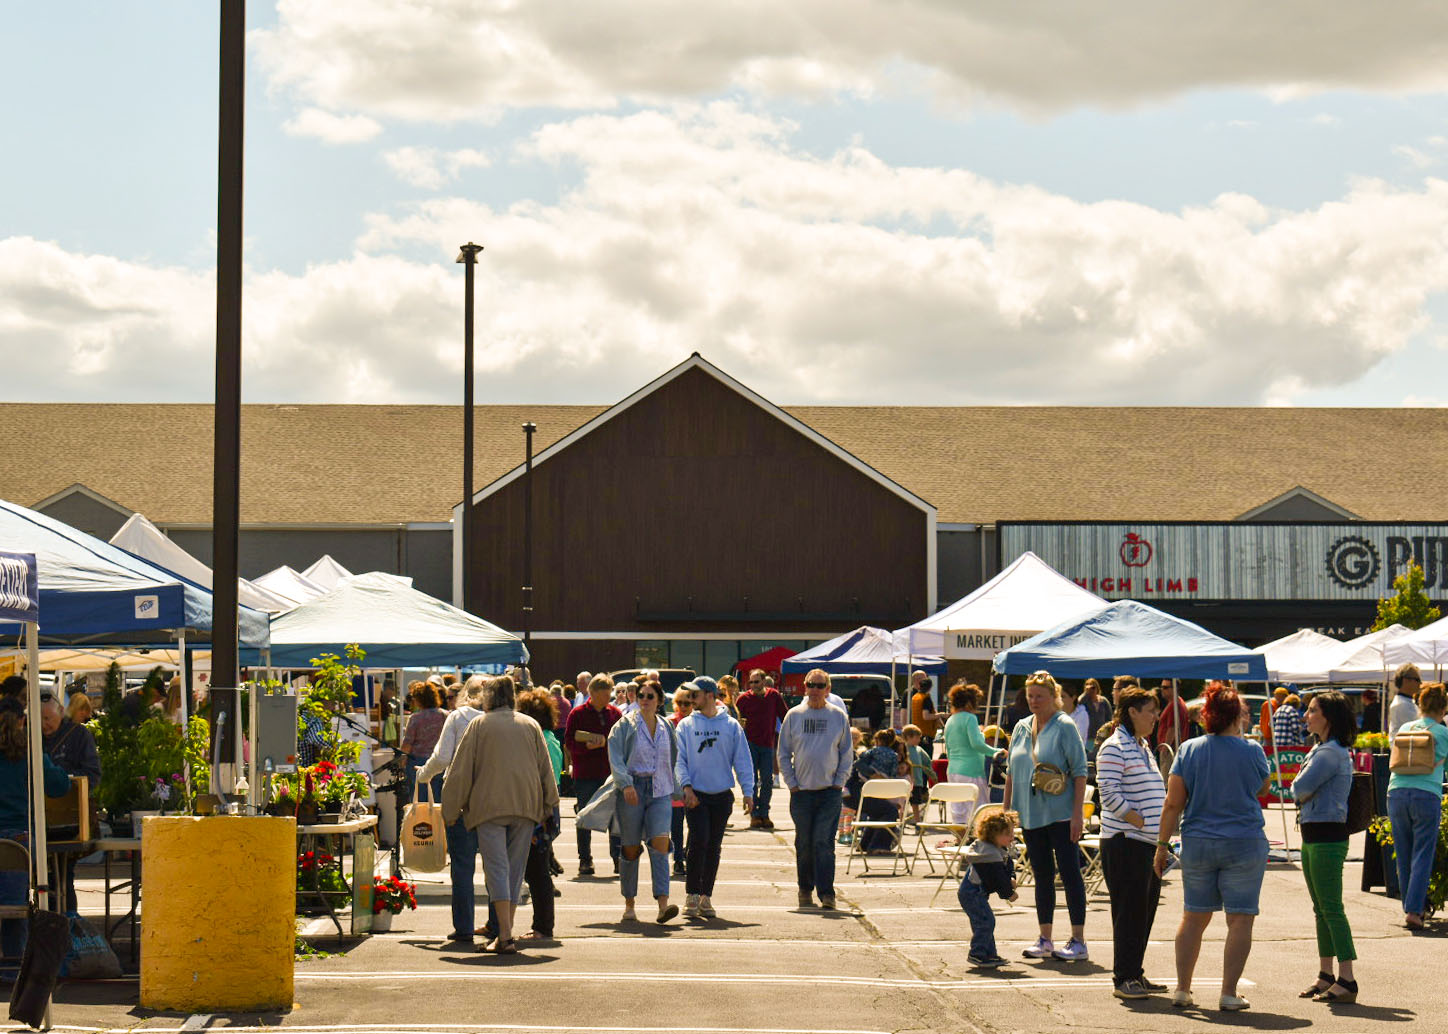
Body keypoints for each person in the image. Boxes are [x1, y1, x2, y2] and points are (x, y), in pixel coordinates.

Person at [1154, 682, 1270, 1012]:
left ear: (1206, 717)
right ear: (1239, 716)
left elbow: (1172, 804)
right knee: (1240, 920)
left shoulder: (1190, 750)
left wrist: (1162, 846)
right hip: (1244, 842)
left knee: (1193, 917)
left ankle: (1183, 989)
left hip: (1199, 841)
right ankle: (1229, 992)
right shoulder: (1252, 751)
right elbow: (1263, 787)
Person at [440, 675, 559, 955]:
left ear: (489, 698)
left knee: (496, 869)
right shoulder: (530, 725)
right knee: (515, 870)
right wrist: (549, 805)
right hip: (525, 807)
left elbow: (460, 771)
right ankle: (506, 932)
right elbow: (546, 769)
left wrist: (450, 809)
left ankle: (504, 935)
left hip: (488, 807)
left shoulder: (479, 725)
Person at [1004, 670, 1089, 962]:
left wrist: (1077, 814)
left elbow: (1080, 771)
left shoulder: (1065, 726)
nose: (1034, 701)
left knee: (1069, 873)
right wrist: (1006, 811)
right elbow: (1011, 773)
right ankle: (1046, 938)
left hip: (1062, 813)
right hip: (1030, 814)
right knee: (1041, 875)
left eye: (1039, 696)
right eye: (1030, 696)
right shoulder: (1021, 727)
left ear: (1053, 696)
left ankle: (1078, 940)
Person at [1095, 687, 1167, 1000]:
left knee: (1144, 912)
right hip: (1125, 842)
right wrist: (1137, 819)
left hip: (1147, 843)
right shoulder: (1114, 747)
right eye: (1150, 710)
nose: (1156, 717)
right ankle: (1124, 978)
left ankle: (1135, 972)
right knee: (1129, 912)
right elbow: (1107, 793)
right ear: (1132, 712)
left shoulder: (1141, 745)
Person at [1292, 689, 1358, 1003]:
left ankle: (1347, 979)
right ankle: (1326, 975)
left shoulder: (1329, 753)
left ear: (1328, 717)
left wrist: (1298, 786)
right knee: (1321, 910)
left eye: (1312, 710)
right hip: (1315, 835)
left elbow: (1299, 787)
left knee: (1331, 909)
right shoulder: (1322, 749)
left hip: (1327, 837)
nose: (1307, 715)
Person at [673, 677, 754, 919]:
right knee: (698, 841)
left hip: (721, 795)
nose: (690, 699)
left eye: (695, 695)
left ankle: (706, 896)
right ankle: (692, 894)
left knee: (713, 846)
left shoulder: (730, 725)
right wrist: (686, 787)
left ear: (709, 695)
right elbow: (679, 760)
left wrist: (748, 791)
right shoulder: (686, 725)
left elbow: (742, 759)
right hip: (695, 794)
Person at [0, 696, 71, 967]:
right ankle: (12, 970)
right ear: (22, 721)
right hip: (19, 840)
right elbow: (59, 786)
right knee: (15, 907)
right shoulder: (31, 753)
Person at [418, 675, 488, 944]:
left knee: (462, 864)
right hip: (493, 798)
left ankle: (464, 926)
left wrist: (423, 775)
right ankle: (496, 923)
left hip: (461, 799)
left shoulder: (458, 718)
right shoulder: (499, 717)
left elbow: (443, 757)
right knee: (495, 865)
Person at [777, 669, 852, 910]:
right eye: (811, 685)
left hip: (829, 791)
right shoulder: (794, 715)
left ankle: (827, 893)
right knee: (804, 843)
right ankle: (804, 889)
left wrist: (839, 781)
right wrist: (792, 783)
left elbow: (846, 753)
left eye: (821, 686)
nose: (816, 690)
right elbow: (782, 752)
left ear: (828, 689)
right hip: (802, 793)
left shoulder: (838, 716)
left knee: (823, 842)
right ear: (805, 687)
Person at [606, 679, 680, 925]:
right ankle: (629, 904)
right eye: (641, 696)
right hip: (633, 789)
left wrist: (680, 789)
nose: (645, 700)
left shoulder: (666, 727)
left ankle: (663, 904)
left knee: (660, 844)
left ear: (659, 701)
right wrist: (625, 783)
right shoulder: (625, 725)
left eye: (650, 696)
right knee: (630, 847)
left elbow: (674, 758)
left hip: (660, 790)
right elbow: (615, 755)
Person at [1386, 680, 1448, 931]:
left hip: (1396, 792)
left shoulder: (1406, 727)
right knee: (1423, 852)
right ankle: (1414, 910)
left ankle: (1410, 906)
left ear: (1420, 704)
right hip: (1426, 795)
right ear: (1443, 708)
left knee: (1404, 852)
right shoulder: (1443, 733)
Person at [514, 689, 563, 942]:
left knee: (536, 872)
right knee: (538, 871)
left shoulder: (537, 740)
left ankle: (543, 927)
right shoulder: (551, 738)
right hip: (546, 809)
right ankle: (543, 926)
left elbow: (544, 780)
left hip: (538, 810)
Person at [562, 673, 622, 876]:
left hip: (610, 773)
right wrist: (586, 747)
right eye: (605, 694)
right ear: (593, 693)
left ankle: (618, 858)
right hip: (585, 773)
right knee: (585, 816)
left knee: (615, 816)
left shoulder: (615, 713)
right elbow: (569, 742)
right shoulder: (577, 714)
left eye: (609, 693)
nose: (608, 698)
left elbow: (623, 740)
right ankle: (585, 859)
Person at [957, 807, 1019, 969]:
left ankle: (989, 953)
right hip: (972, 894)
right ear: (993, 835)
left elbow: (1007, 864)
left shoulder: (996, 848)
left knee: (985, 922)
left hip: (976, 893)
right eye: (1008, 834)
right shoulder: (988, 855)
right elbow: (997, 878)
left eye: (1012, 833)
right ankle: (977, 953)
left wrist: (1011, 876)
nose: (1012, 838)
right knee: (986, 922)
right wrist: (1009, 893)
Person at [735, 669, 788, 830]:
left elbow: (785, 716)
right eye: (750, 682)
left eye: (756, 682)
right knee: (751, 781)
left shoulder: (773, 696)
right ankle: (754, 815)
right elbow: (735, 720)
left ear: (764, 682)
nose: (753, 685)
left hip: (767, 743)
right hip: (749, 744)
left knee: (767, 780)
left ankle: (764, 813)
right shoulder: (743, 699)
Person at [943, 683, 1001, 829]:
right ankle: (979, 844)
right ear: (969, 702)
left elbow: (949, 748)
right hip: (971, 770)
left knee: (958, 810)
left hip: (953, 770)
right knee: (980, 810)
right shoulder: (970, 718)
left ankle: (960, 843)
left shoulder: (950, 720)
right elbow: (976, 745)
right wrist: (997, 751)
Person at [400, 682, 449, 800]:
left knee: (419, 801)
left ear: (419, 699)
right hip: (439, 761)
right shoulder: (445, 715)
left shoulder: (416, 718)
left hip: (417, 762)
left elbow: (407, 744)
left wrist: (402, 760)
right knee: (438, 799)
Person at [668, 687, 693, 874]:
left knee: (694, 823)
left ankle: (688, 853)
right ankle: (678, 859)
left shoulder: (697, 724)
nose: (683, 707)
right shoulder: (669, 723)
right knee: (676, 824)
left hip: (695, 779)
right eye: (680, 703)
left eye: (688, 703)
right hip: (673, 779)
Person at [901, 725, 933, 824]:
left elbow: (927, 761)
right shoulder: (902, 748)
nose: (919, 740)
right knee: (903, 803)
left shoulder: (919, 749)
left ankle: (917, 822)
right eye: (917, 737)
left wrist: (931, 773)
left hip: (917, 781)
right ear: (908, 737)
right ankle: (901, 823)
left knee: (915, 803)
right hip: (904, 781)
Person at [1388, 663, 1423, 738]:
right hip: (1404, 748)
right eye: (1417, 679)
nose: (1420, 683)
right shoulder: (1401, 705)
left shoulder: (1407, 701)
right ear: (1406, 680)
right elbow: (1418, 730)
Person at [1154, 680, 1189, 749]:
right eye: (1161, 687)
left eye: (1165, 687)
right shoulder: (1176, 702)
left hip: (1171, 750)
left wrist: (1165, 750)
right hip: (1174, 748)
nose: (1162, 690)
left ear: (1175, 689)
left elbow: (1172, 729)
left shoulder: (1174, 705)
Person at [909, 671, 939, 754]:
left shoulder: (915, 697)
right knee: (927, 759)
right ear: (930, 687)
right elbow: (926, 716)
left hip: (916, 731)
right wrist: (940, 715)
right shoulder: (926, 698)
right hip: (926, 733)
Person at [1081, 678, 1113, 748]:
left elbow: (1109, 718)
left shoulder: (1104, 701)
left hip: (1103, 737)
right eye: (1088, 688)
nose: (1091, 690)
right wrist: (1085, 693)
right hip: (1088, 737)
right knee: (1090, 757)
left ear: (1097, 688)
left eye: (1093, 688)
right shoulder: (1084, 702)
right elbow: (1077, 704)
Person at [1061, 682, 1089, 747]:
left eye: (1063, 696)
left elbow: (1077, 740)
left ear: (1073, 697)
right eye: (1058, 696)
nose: (1060, 699)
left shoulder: (1082, 715)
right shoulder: (1056, 714)